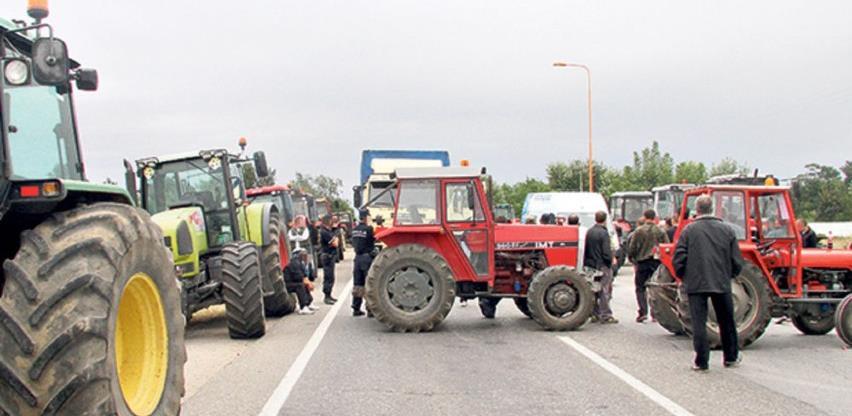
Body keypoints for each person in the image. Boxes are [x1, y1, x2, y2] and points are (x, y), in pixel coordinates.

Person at [673, 195, 743, 372]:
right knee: (727, 321)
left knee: (699, 322)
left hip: (696, 283)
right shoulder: (727, 230)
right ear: (712, 209)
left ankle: (701, 361)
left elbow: (679, 258)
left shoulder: (689, 231)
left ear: (697, 210)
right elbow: (737, 260)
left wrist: (684, 276)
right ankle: (731, 356)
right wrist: (729, 275)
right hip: (721, 281)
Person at [628, 209, 670, 323]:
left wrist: (631, 257)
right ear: (654, 217)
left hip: (642, 262)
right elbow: (666, 245)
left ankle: (643, 312)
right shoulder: (660, 231)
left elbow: (632, 247)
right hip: (656, 262)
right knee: (655, 287)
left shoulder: (639, 231)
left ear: (645, 217)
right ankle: (655, 313)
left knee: (640, 288)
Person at [585, 211, 617, 324]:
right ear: (605, 220)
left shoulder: (589, 231)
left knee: (593, 289)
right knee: (604, 290)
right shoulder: (604, 233)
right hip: (601, 264)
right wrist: (609, 263)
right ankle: (606, 314)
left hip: (590, 264)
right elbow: (606, 252)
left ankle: (594, 312)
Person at [350, 209, 376, 317]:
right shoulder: (368, 229)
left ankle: (356, 308)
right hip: (367, 258)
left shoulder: (355, 229)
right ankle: (370, 309)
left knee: (357, 284)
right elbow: (373, 241)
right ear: (366, 217)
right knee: (369, 284)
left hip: (357, 258)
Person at [283, 248, 319, 315]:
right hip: (287, 284)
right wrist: (307, 283)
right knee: (300, 286)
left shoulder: (301, 263)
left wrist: (309, 283)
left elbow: (305, 276)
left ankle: (309, 303)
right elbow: (298, 277)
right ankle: (303, 307)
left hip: (295, 282)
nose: (304, 256)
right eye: (302, 254)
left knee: (304, 284)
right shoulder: (294, 263)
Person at [319, 214, 340, 305]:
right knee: (328, 277)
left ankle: (329, 295)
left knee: (331, 277)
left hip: (330, 256)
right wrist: (336, 239)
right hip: (327, 256)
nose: (333, 222)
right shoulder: (324, 232)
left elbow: (336, 241)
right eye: (331, 220)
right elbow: (335, 243)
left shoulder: (329, 231)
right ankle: (326, 296)